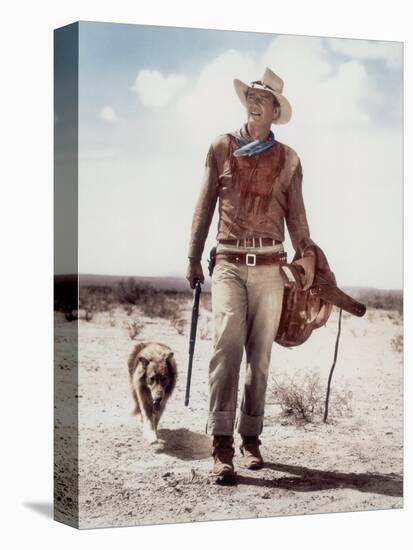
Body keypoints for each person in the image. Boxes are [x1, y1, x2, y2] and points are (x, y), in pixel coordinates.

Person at [186, 67, 316, 482]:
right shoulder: (221, 147)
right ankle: (221, 443)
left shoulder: (289, 159)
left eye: (265, 98)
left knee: (259, 357)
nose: (255, 100)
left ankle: (251, 438)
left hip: (270, 268)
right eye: (252, 95)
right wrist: (192, 257)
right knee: (226, 350)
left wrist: (308, 256)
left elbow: (297, 217)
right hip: (227, 263)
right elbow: (204, 204)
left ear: (276, 111)